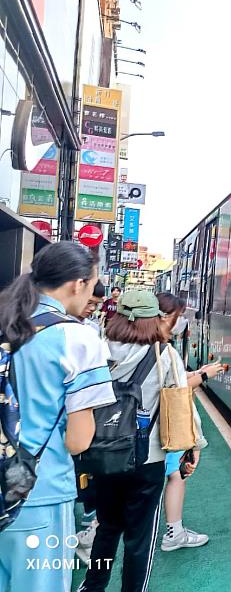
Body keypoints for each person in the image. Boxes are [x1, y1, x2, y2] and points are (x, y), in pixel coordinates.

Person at [0, 243, 116, 592]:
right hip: (37, 491)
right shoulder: (78, 337)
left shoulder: (8, 321)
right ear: (78, 283)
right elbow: (77, 440)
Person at [77, 291, 207, 592]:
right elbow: (180, 403)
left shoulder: (98, 348)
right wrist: (193, 446)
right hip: (146, 458)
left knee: (107, 528)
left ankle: (92, 586)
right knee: (139, 537)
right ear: (153, 318)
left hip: (102, 455)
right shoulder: (165, 354)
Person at [156, 292, 221, 552]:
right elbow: (177, 389)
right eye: (179, 317)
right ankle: (174, 534)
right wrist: (204, 375)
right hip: (165, 430)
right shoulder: (164, 350)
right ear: (166, 317)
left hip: (147, 429)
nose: (182, 322)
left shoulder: (125, 342)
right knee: (175, 477)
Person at [73, 280, 111, 565]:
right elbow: (78, 438)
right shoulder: (84, 338)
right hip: (51, 473)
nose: (91, 309)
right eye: (91, 302)